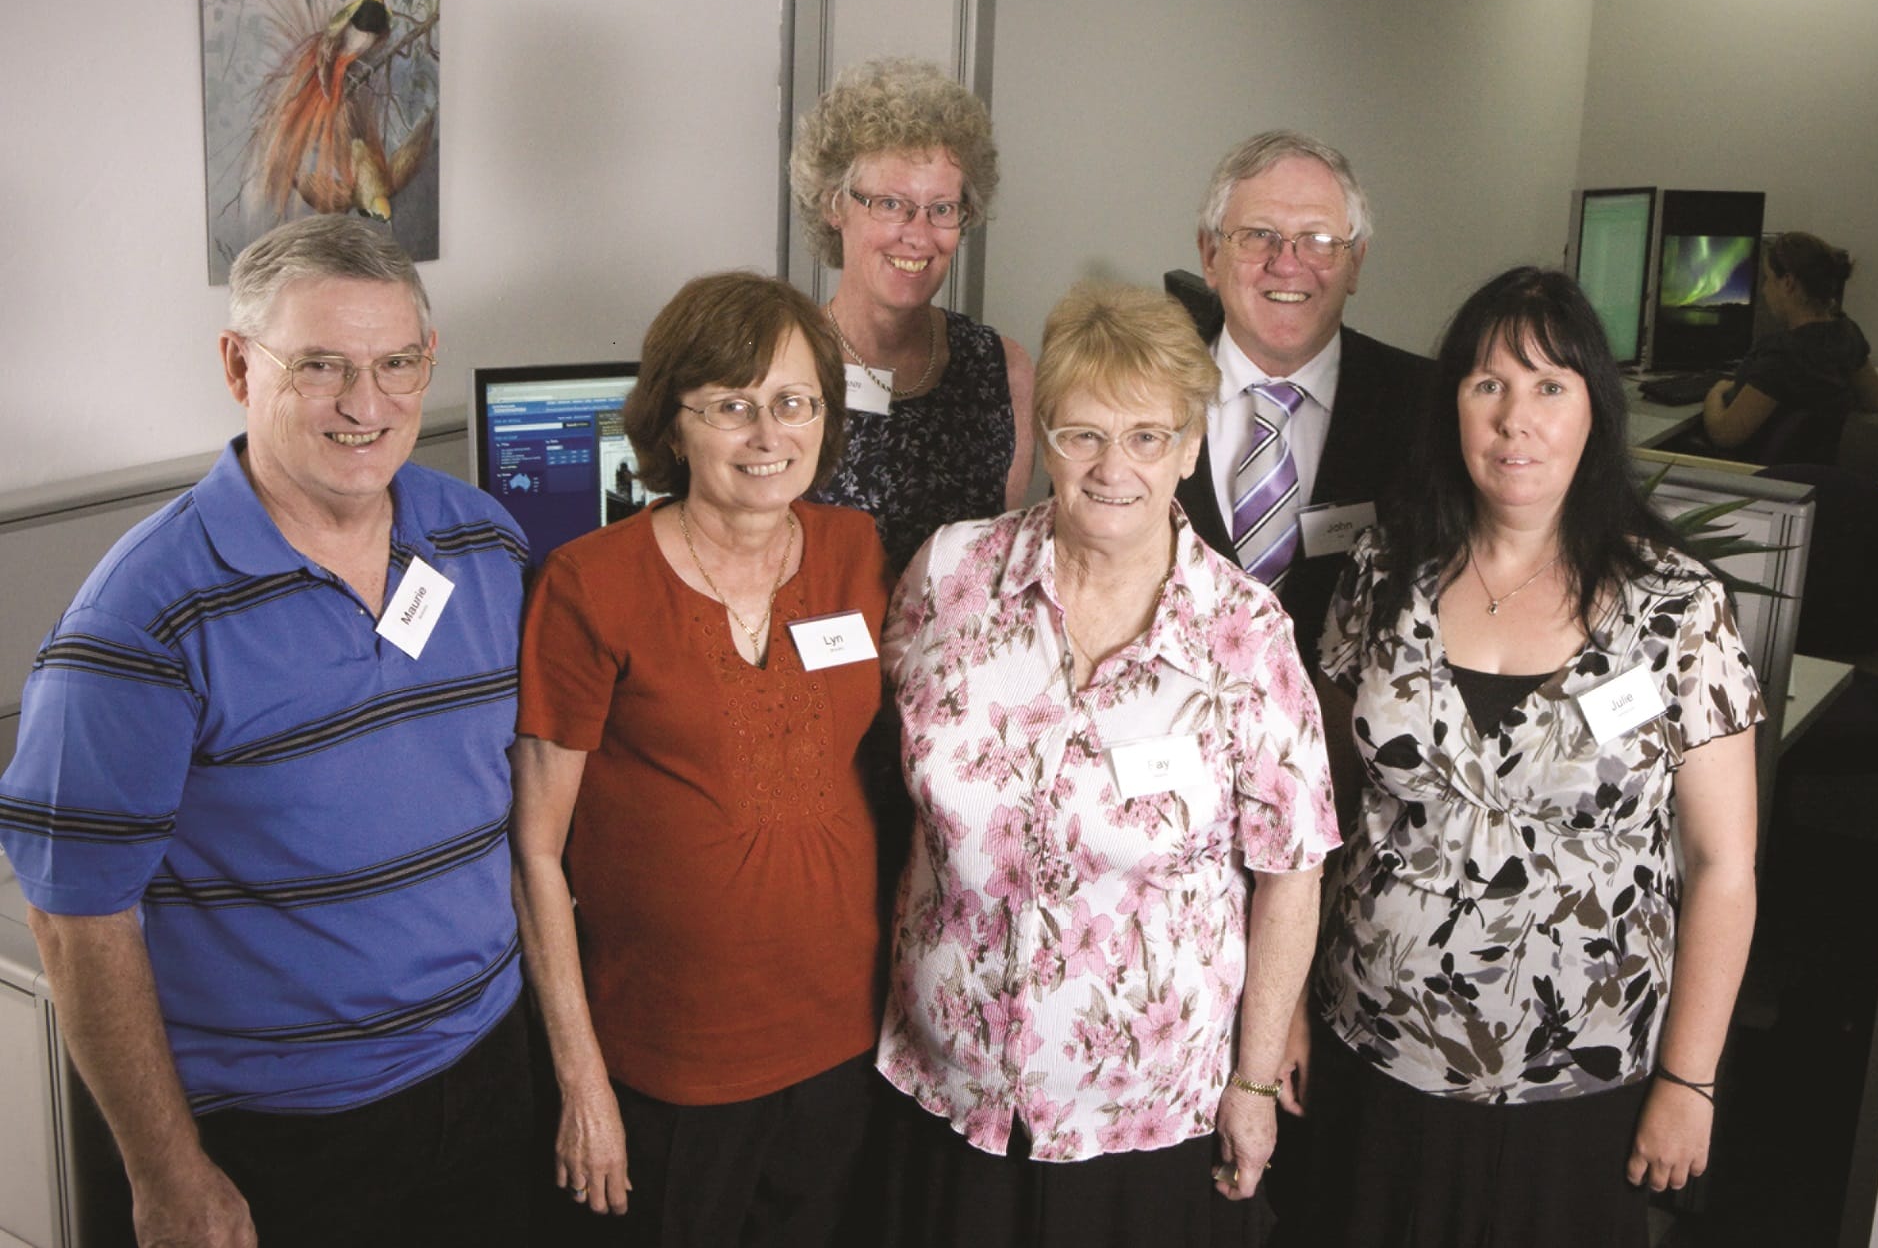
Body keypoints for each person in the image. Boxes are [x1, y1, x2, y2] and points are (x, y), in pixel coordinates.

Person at [0, 215, 532, 1246]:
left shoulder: (486, 543)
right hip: (285, 1137)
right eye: (321, 365)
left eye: (396, 364)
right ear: (239, 365)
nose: (367, 405)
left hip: (489, 1080)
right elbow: (76, 918)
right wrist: (166, 1171)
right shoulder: (142, 619)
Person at [1308, 267, 1763, 1246]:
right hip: (1373, 1053)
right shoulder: (1384, 569)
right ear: (1454, 409)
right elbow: (1322, 808)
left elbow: (1725, 867)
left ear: (1595, 410)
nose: (1517, 418)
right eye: (1488, 385)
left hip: (1578, 1081)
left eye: (1550, 386)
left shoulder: (1678, 610)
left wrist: (1690, 1079)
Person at [878, 281, 1339, 1248]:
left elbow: (1292, 873)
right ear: (1043, 439)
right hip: (949, 1083)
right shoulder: (951, 576)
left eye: (1146, 435)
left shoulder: (1246, 635)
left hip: (1146, 1111)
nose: (1112, 466)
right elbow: (889, 774)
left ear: (1191, 446)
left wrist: (1254, 1081)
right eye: (1082, 433)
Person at [510, 271, 891, 1246]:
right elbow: (536, 852)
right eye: (732, 405)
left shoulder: (856, 551)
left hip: (840, 1041)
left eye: (794, 402)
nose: (769, 435)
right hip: (669, 1063)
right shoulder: (590, 585)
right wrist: (581, 1080)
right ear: (672, 424)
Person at [1175, 129, 1436, 669]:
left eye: (1318, 240)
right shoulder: (1142, 399)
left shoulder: (1430, 408)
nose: (1287, 263)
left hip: (1355, 747)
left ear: (1356, 262)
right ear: (1208, 254)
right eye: (1258, 235)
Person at [791, 55, 1036, 570]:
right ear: (834, 205)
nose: (919, 234)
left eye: (942, 209)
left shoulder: (1003, 372)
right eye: (890, 204)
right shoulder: (778, 365)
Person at [1701, 231, 1878, 464]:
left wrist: (1715, 393)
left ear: (1788, 283)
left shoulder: (1782, 356)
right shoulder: (1847, 333)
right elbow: (1876, 401)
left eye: (1768, 279)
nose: (1764, 290)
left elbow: (1725, 434)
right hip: (1808, 478)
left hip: (1754, 480)